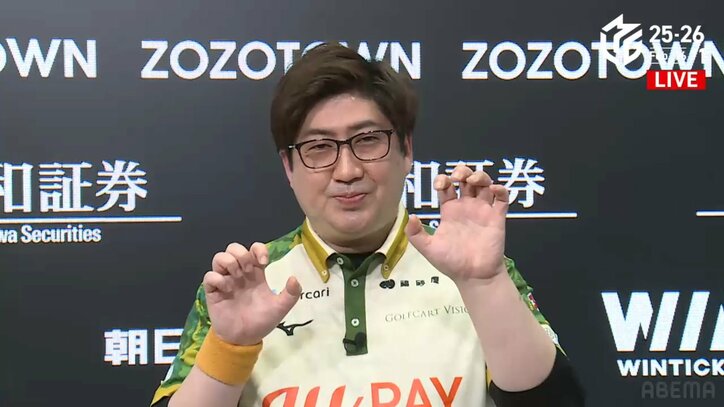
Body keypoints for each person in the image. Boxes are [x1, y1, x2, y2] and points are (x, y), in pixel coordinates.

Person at [151, 42, 585, 407]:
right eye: (319, 148)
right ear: (288, 166)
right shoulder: (249, 287)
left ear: (406, 150)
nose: (347, 170)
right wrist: (232, 346)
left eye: (368, 140)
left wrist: (484, 286)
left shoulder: (472, 270)